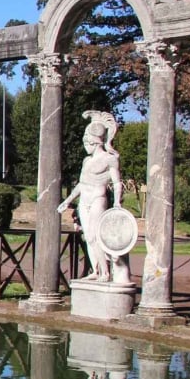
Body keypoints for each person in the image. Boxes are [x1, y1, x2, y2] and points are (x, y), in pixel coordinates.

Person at [57, 111, 126, 283]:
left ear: (95, 142)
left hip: (98, 198)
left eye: (87, 142)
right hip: (85, 200)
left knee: (95, 235)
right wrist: (67, 201)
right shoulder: (86, 161)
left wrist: (117, 202)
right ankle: (96, 269)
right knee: (88, 236)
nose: (85, 146)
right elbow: (81, 184)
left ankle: (106, 273)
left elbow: (117, 183)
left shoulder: (110, 159)